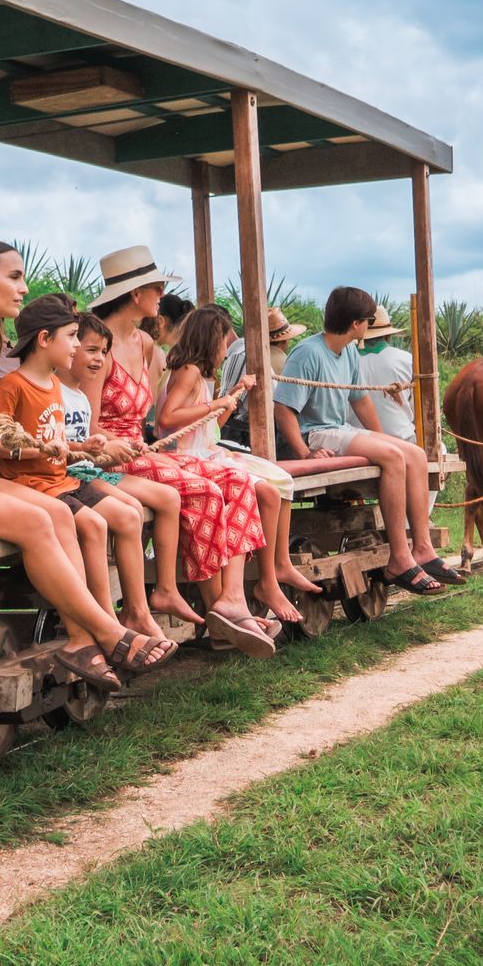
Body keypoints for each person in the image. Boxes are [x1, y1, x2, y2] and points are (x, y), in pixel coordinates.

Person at [0, 240, 175, 689]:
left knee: (60, 512)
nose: (24, 288)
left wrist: (67, 447)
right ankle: (107, 631)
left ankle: (80, 638)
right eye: (15, 277)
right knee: (36, 523)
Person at [86, 245, 277, 658]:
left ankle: (233, 601)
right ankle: (220, 613)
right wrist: (123, 445)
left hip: (144, 450)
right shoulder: (95, 345)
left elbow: (152, 419)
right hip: (109, 457)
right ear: (136, 295)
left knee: (239, 482)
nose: (162, 297)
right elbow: (86, 424)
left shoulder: (144, 345)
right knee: (204, 492)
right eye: (156, 288)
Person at [0, 292, 164, 655]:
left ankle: (121, 617)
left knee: (118, 518)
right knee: (97, 523)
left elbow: (57, 443)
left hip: (65, 478)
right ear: (43, 340)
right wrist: (46, 450)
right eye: (72, 338)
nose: (77, 347)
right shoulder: (12, 387)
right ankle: (105, 619)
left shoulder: (55, 385)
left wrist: (82, 447)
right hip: (34, 484)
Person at [274, 286, 463, 595]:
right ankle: (399, 559)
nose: (368, 325)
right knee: (392, 457)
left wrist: (384, 439)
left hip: (339, 429)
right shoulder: (307, 353)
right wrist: (305, 452)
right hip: (318, 432)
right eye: (368, 319)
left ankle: (422, 548)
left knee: (412, 454)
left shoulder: (348, 351)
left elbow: (360, 401)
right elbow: (283, 409)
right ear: (355, 324)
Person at [158, 304, 324, 623]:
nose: (226, 349)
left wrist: (232, 395)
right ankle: (260, 580)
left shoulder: (202, 374)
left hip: (205, 451)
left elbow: (210, 424)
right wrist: (217, 402)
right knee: (254, 485)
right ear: (211, 340)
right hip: (188, 457)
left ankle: (272, 574)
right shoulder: (189, 370)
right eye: (223, 342)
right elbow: (168, 419)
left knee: (274, 490)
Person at [59, 310, 201, 633]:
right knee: (133, 510)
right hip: (77, 475)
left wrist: (107, 451)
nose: (100, 360)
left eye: (103, 353)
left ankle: (140, 606)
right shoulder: (58, 392)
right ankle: (117, 615)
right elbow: (74, 444)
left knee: (145, 505)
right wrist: (107, 449)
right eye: (90, 350)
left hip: (91, 470)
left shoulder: (79, 395)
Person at [219, 306, 308, 453]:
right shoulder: (285, 360)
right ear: (284, 341)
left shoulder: (240, 355)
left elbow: (228, 406)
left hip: (253, 433)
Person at [347, 303, 416, 441]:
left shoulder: (345, 361)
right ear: (388, 335)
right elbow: (416, 407)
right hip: (401, 437)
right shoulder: (407, 360)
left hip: (356, 440)